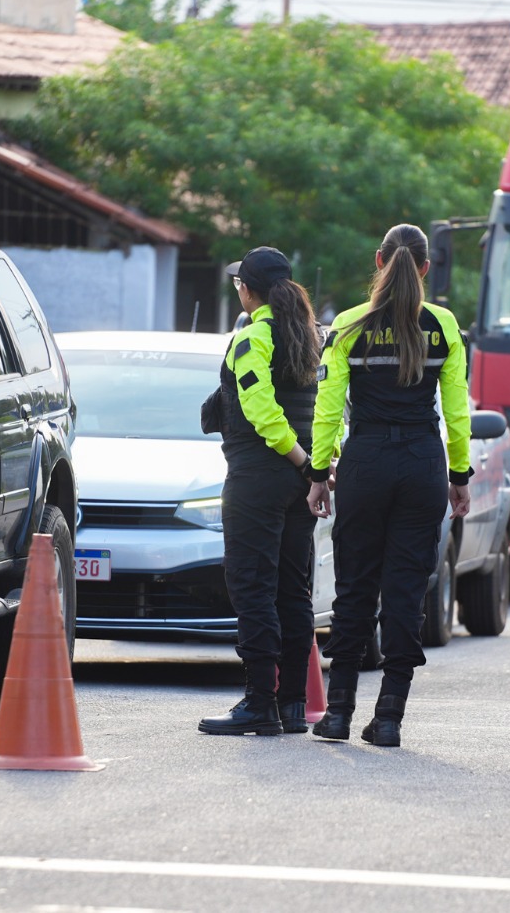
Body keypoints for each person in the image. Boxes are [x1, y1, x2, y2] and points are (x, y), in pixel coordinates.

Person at [305, 224, 472, 748]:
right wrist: (459, 475)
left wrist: (318, 471)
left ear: (380, 261)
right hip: (423, 462)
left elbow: (328, 409)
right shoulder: (443, 327)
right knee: (404, 592)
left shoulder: (349, 326)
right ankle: (390, 719)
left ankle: (336, 715)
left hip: (366, 462)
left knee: (355, 588)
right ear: (426, 267)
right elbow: (458, 413)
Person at [198, 246, 324, 737]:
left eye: (237, 285)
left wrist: (301, 459)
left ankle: (258, 704)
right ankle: (292, 704)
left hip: (259, 479)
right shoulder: (307, 337)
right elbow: (322, 408)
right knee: (292, 590)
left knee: (252, 587)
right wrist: (315, 467)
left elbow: (262, 412)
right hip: (299, 484)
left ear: (247, 291)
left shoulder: (253, 337)